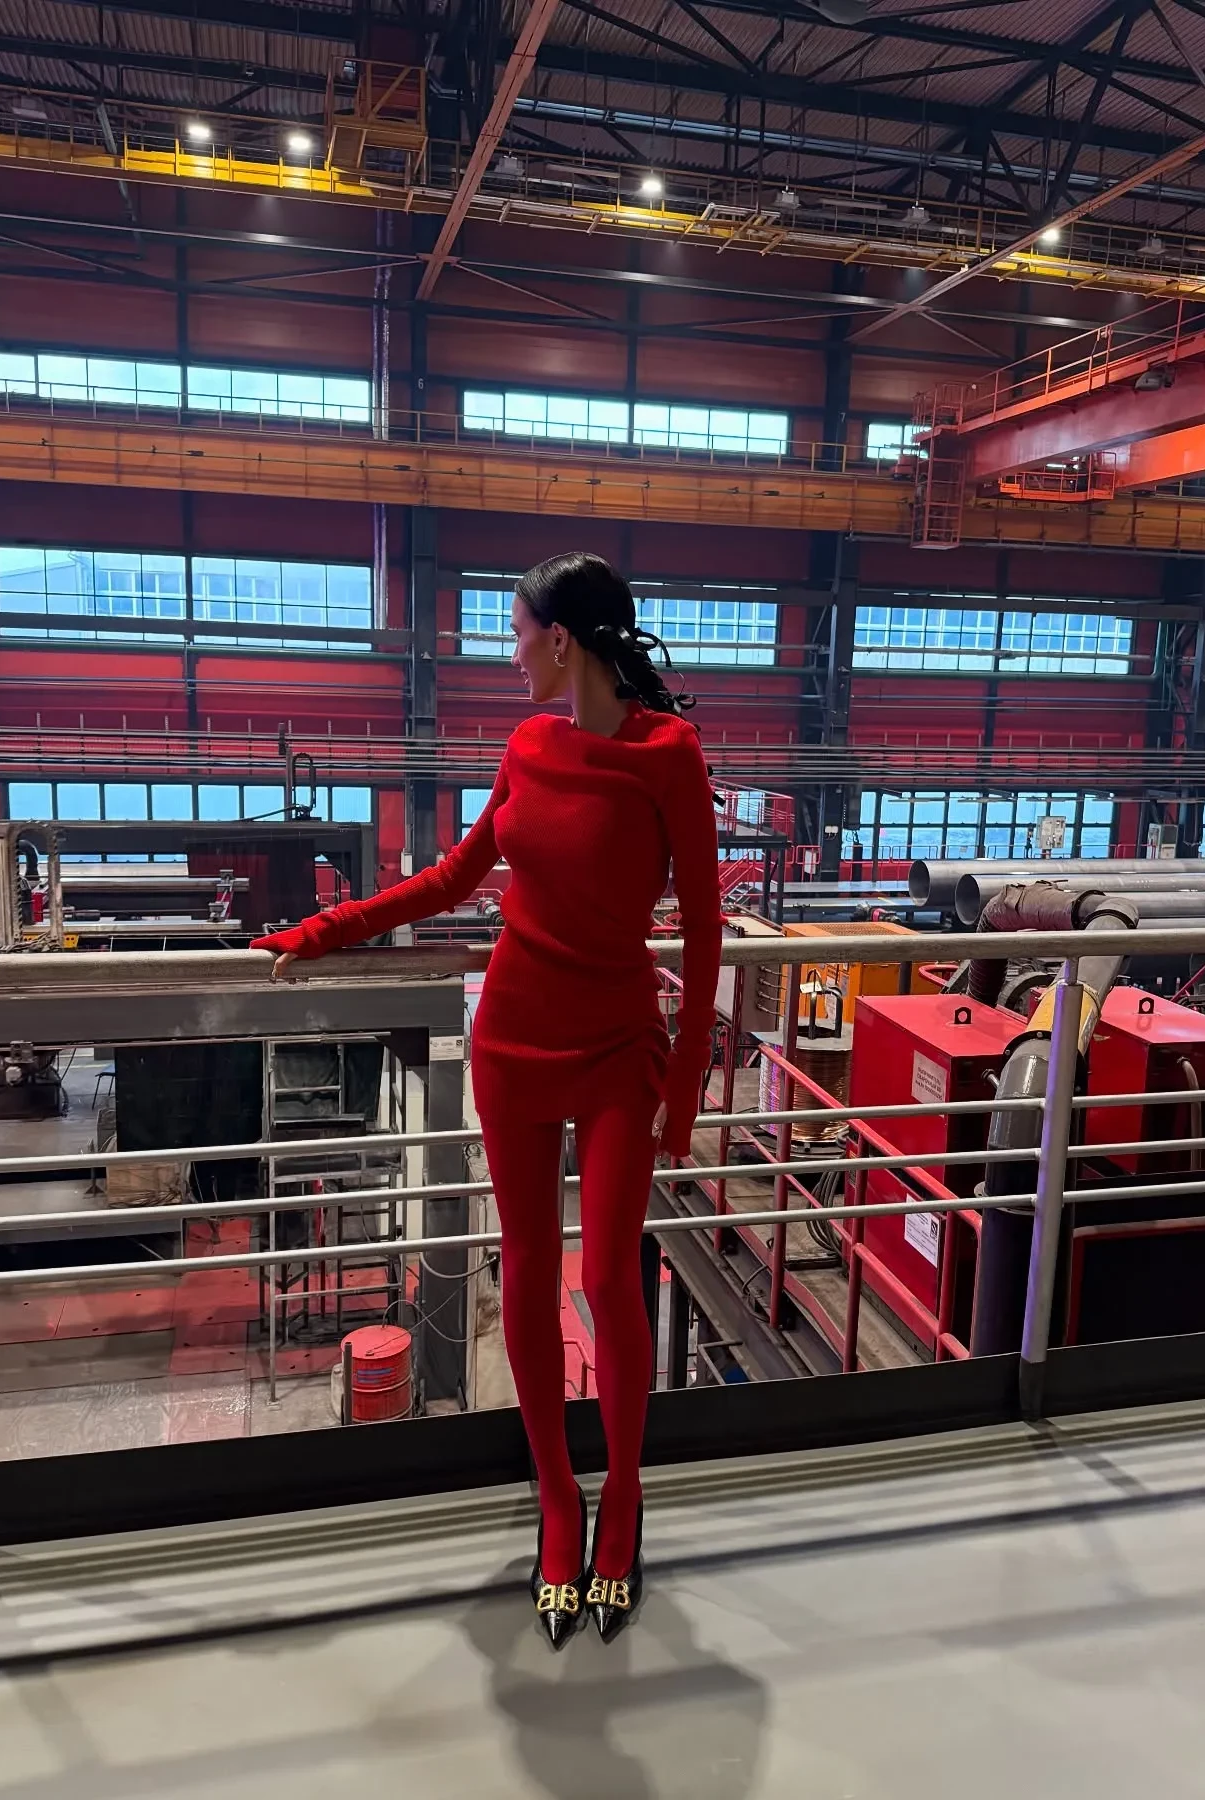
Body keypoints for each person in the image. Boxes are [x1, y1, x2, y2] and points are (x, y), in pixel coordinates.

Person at [252, 552, 723, 1649]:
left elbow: (704, 935)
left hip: (620, 1048)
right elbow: (455, 878)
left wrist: (687, 1084)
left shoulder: (669, 755)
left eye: (516, 633)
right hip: (512, 1040)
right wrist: (324, 931)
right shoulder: (525, 747)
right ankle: (559, 1502)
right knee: (524, 1270)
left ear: (561, 639)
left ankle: (624, 1502)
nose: (509, 653)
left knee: (608, 1277)